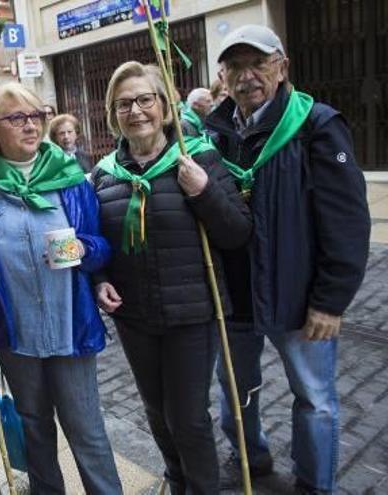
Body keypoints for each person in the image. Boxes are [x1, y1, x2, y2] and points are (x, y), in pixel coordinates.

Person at [205, 25, 370, 494]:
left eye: (258, 63)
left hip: (299, 299)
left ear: (282, 67)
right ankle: (251, 459)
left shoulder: (315, 124)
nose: (246, 76)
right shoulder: (214, 134)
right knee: (236, 391)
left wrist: (331, 301)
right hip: (233, 298)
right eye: (234, 66)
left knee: (314, 399)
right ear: (222, 76)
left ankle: (315, 485)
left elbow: (347, 222)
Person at [91, 61, 251, 494]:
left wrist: (203, 191)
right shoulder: (103, 175)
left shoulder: (196, 157)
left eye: (146, 99)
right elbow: (95, 242)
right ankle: (176, 478)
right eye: (124, 104)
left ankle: (202, 487)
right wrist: (99, 278)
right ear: (113, 113)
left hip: (193, 313)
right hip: (136, 317)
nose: (136, 111)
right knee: (156, 411)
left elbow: (237, 232)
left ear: (163, 105)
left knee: (188, 416)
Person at [0, 82, 122, 494]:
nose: (30, 126)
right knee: (35, 426)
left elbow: (102, 246)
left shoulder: (69, 178)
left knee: (86, 429)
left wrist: (84, 248)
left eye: (36, 116)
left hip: (71, 327)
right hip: (16, 334)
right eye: (16, 118)